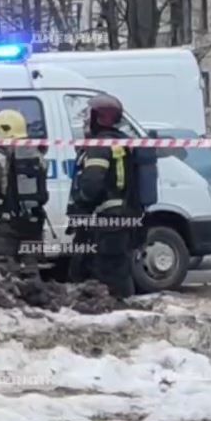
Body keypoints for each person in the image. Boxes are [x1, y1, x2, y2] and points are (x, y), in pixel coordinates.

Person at [68, 94, 146, 299]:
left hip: (108, 222)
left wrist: (81, 204)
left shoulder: (100, 145)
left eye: (88, 115)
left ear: (99, 118)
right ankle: (121, 309)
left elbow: (92, 185)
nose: (85, 120)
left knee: (107, 272)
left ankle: (115, 313)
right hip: (124, 217)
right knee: (118, 269)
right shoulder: (120, 141)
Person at [0, 110, 48, 277]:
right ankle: (37, 297)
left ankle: (9, 301)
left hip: (4, 225)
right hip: (33, 223)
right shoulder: (37, 155)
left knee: (3, 271)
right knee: (31, 269)